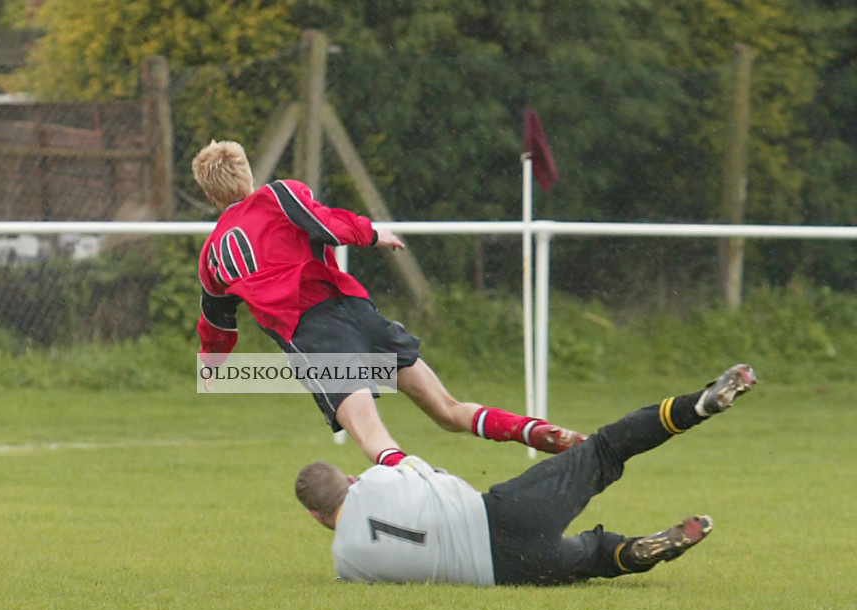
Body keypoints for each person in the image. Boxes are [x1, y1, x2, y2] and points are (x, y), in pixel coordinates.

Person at [191, 139, 585, 466]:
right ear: (248, 173)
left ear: (209, 195)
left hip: (315, 338)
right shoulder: (281, 193)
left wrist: (211, 365)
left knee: (377, 441)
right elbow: (325, 222)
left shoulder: (212, 254)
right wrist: (371, 233)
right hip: (357, 314)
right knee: (448, 411)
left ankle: (430, 506)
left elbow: (218, 324)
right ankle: (532, 430)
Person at [294, 363, 757, 586]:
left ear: (317, 517)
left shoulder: (346, 564)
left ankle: (639, 549)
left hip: (508, 573)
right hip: (502, 516)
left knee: (593, 555)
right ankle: (699, 405)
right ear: (349, 481)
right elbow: (412, 465)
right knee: (608, 449)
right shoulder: (378, 479)